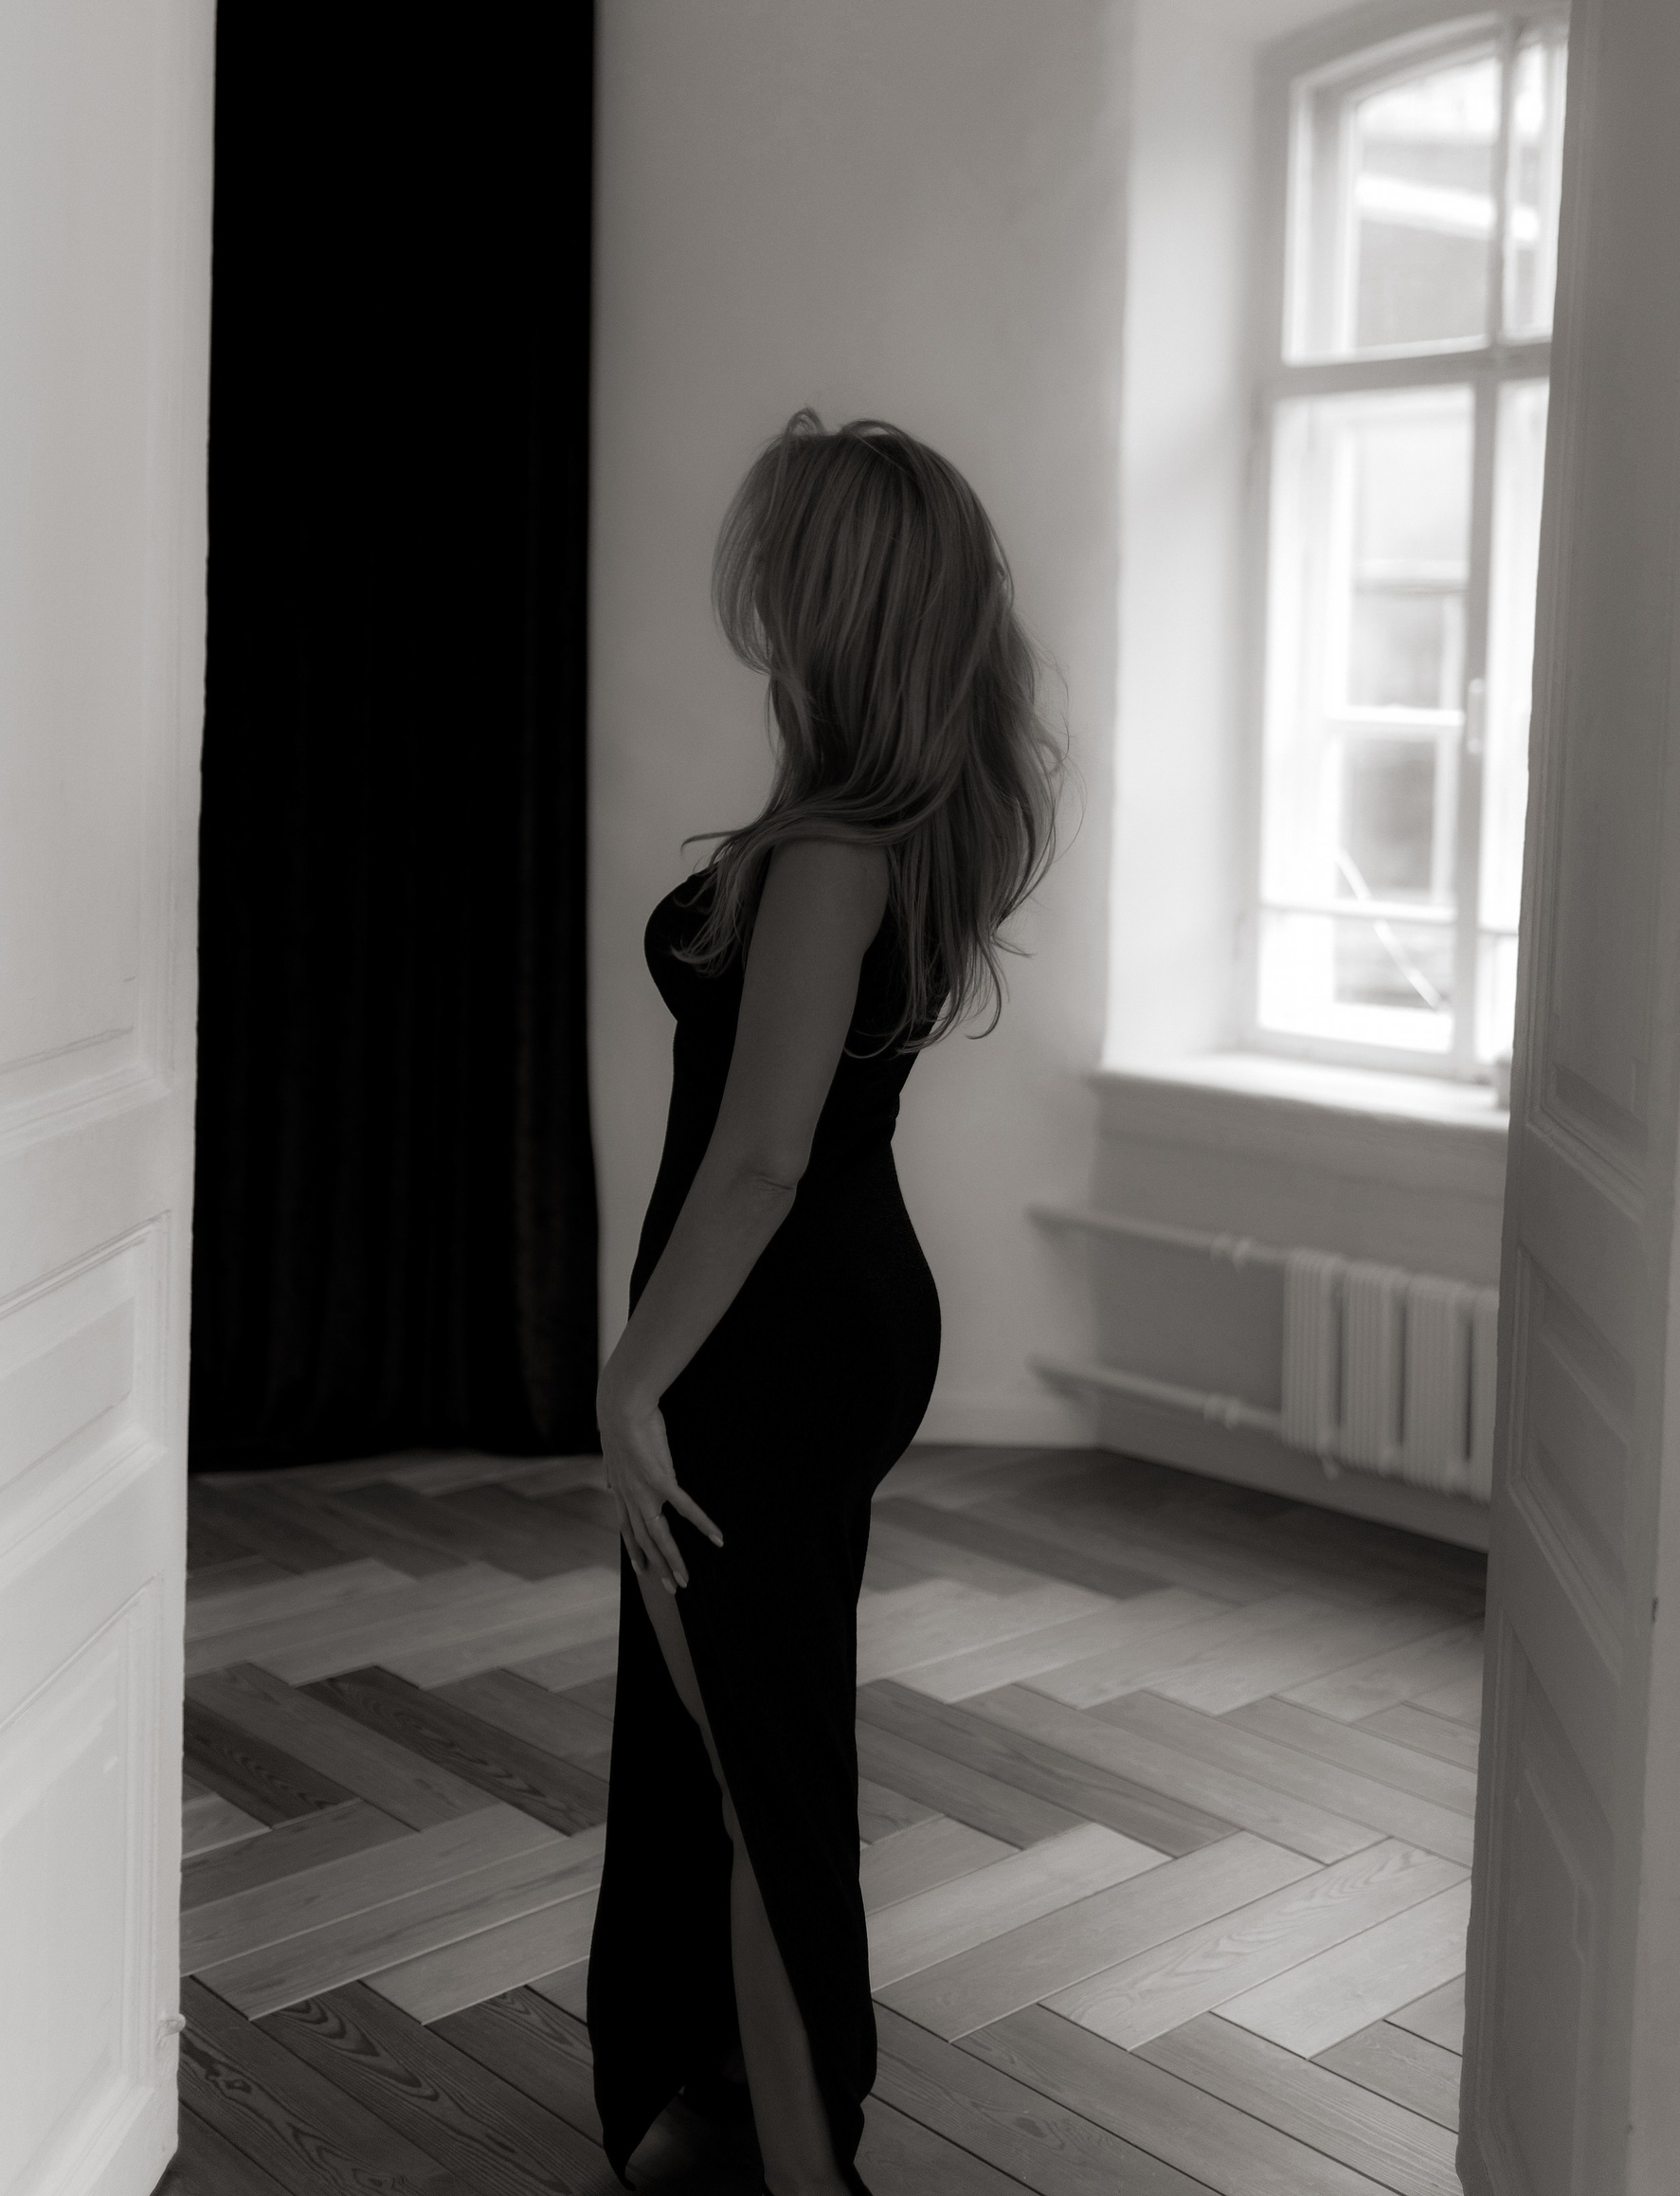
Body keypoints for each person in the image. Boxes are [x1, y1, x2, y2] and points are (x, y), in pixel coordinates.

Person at [587, 410, 1064, 2195]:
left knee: (750, 1754)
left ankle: (806, 2166)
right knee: (750, 1725)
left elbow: (762, 1158)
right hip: (824, 1320)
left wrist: (631, 1379)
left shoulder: (834, 853)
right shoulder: (894, 826)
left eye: (786, 561)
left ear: (836, 598)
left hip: (772, 1339)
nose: (759, 591)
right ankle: (736, 2085)